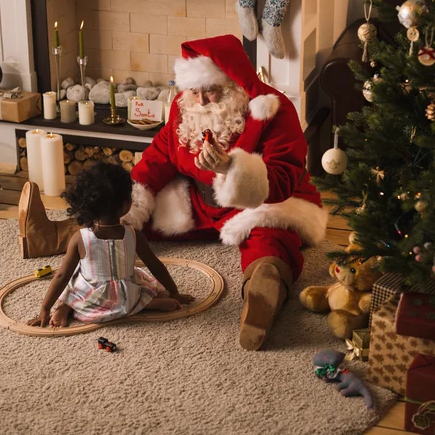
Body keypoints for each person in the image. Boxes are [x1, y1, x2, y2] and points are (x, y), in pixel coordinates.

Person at [20, 35, 327, 349]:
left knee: (270, 237)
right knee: (121, 220)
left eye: (211, 90)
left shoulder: (273, 110)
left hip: (259, 205)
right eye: (195, 91)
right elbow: (159, 158)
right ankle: (52, 236)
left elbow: (282, 180)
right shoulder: (185, 109)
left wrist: (229, 168)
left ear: (233, 85)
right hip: (200, 205)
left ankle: (262, 293)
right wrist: (127, 197)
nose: (202, 100)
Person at [28, 162, 193, 328]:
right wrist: (174, 292)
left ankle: (66, 306)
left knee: (74, 279)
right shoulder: (134, 235)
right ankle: (144, 304)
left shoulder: (80, 238)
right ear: (124, 205)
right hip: (125, 294)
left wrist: (45, 308)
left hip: (92, 295)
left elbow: (62, 276)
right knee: (138, 286)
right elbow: (154, 264)